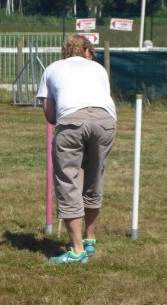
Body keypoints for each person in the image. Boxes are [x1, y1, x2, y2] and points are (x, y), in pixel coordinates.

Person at [37, 34, 117, 264]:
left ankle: (77, 249)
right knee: (94, 178)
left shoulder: (52, 69)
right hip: (106, 121)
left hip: (71, 121)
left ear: (65, 52)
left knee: (68, 182)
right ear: (87, 52)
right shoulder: (99, 69)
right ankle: (90, 238)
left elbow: (50, 116)